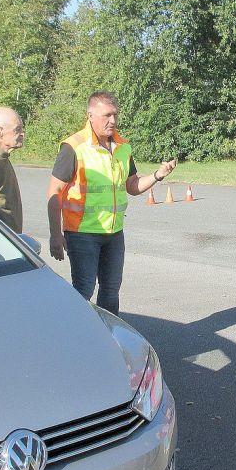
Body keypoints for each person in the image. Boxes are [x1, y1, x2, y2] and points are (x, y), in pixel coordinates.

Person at [46, 91, 176, 314]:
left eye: (115, 114)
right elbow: (54, 192)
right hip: (82, 233)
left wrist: (157, 175)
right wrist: (56, 235)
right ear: (90, 116)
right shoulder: (73, 147)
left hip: (114, 232)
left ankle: (108, 338)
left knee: (111, 290)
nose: (113, 121)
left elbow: (132, 186)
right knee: (83, 290)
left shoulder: (123, 147)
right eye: (107, 115)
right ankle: (76, 336)